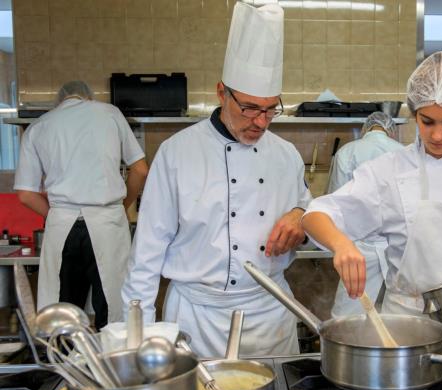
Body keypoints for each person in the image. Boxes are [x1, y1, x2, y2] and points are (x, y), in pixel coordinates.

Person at [121, 2, 312, 357]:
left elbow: (307, 204)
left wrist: (301, 213)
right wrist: (139, 337)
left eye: (271, 109)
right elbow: (146, 252)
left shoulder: (285, 155)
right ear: (222, 92)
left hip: (269, 314)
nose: (261, 122)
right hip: (197, 319)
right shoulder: (176, 153)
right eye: (250, 108)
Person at [302, 51, 442, 346]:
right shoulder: (389, 170)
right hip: (408, 322)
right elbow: (315, 215)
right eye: (427, 122)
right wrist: (341, 244)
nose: (438, 135)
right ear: (414, 113)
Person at [14, 81, 149, 330]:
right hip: (107, 223)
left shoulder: (39, 126)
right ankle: (112, 362)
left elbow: (25, 194)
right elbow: (140, 170)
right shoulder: (109, 114)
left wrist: (58, 213)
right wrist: (122, 206)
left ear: (60, 101)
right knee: (112, 306)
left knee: (63, 313)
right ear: (88, 97)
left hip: (61, 226)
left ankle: (64, 364)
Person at [327, 112, 404, 317]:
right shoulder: (404, 152)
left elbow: (334, 201)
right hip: (398, 246)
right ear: (391, 131)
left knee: (348, 320)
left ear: (365, 129)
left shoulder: (347, 152)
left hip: (358, 248)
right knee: (400, 317)